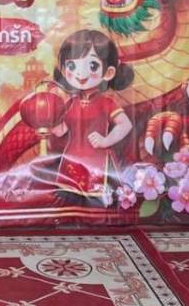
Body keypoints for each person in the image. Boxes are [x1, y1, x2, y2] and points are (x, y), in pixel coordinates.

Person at [52, 29, 133, 202]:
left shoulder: (106, 102)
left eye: (92, 66)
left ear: (109, 72)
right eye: (72, 66)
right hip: (72, 158)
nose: (80, 74)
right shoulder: (70, 102)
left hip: (97, 159)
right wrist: (49, 116)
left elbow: (125, 124)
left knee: (97, 200)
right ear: (64, 70)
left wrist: (106, 140)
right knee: (69, 199)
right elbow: (61, 131)